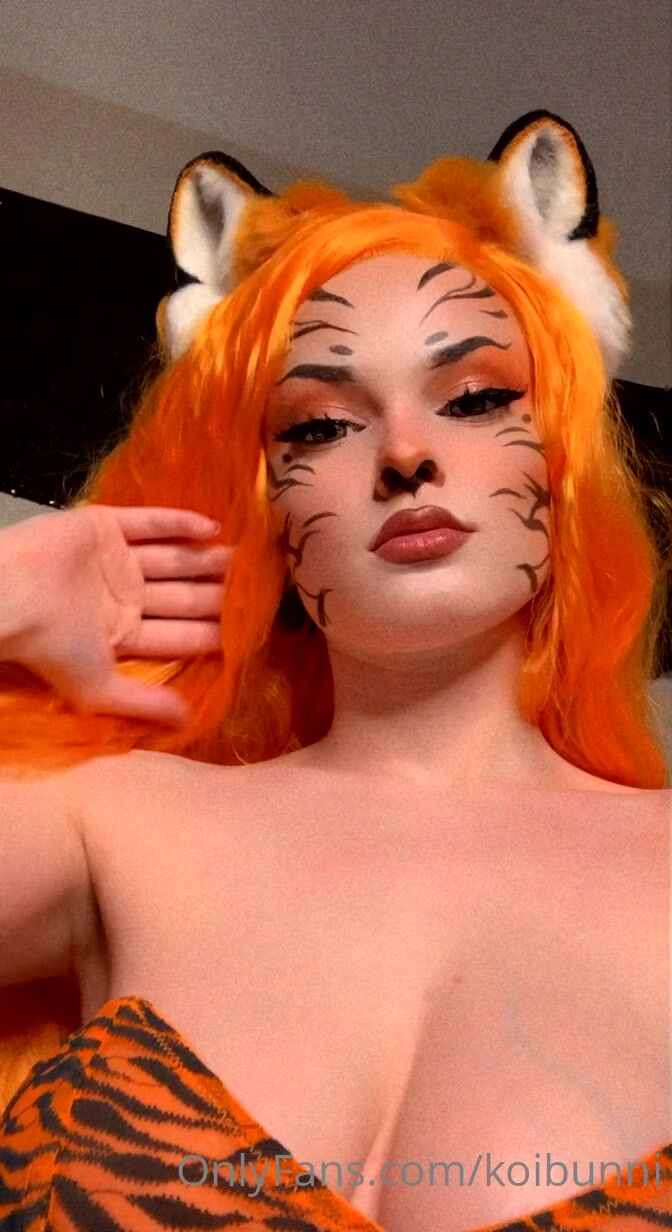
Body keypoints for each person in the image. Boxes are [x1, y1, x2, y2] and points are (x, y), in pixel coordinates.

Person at [0, 109, 670, 1231]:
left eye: (476, 398)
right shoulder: (117, 828)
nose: (404, 453)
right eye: (317, 425)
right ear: (266, 500)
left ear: (561, 457)